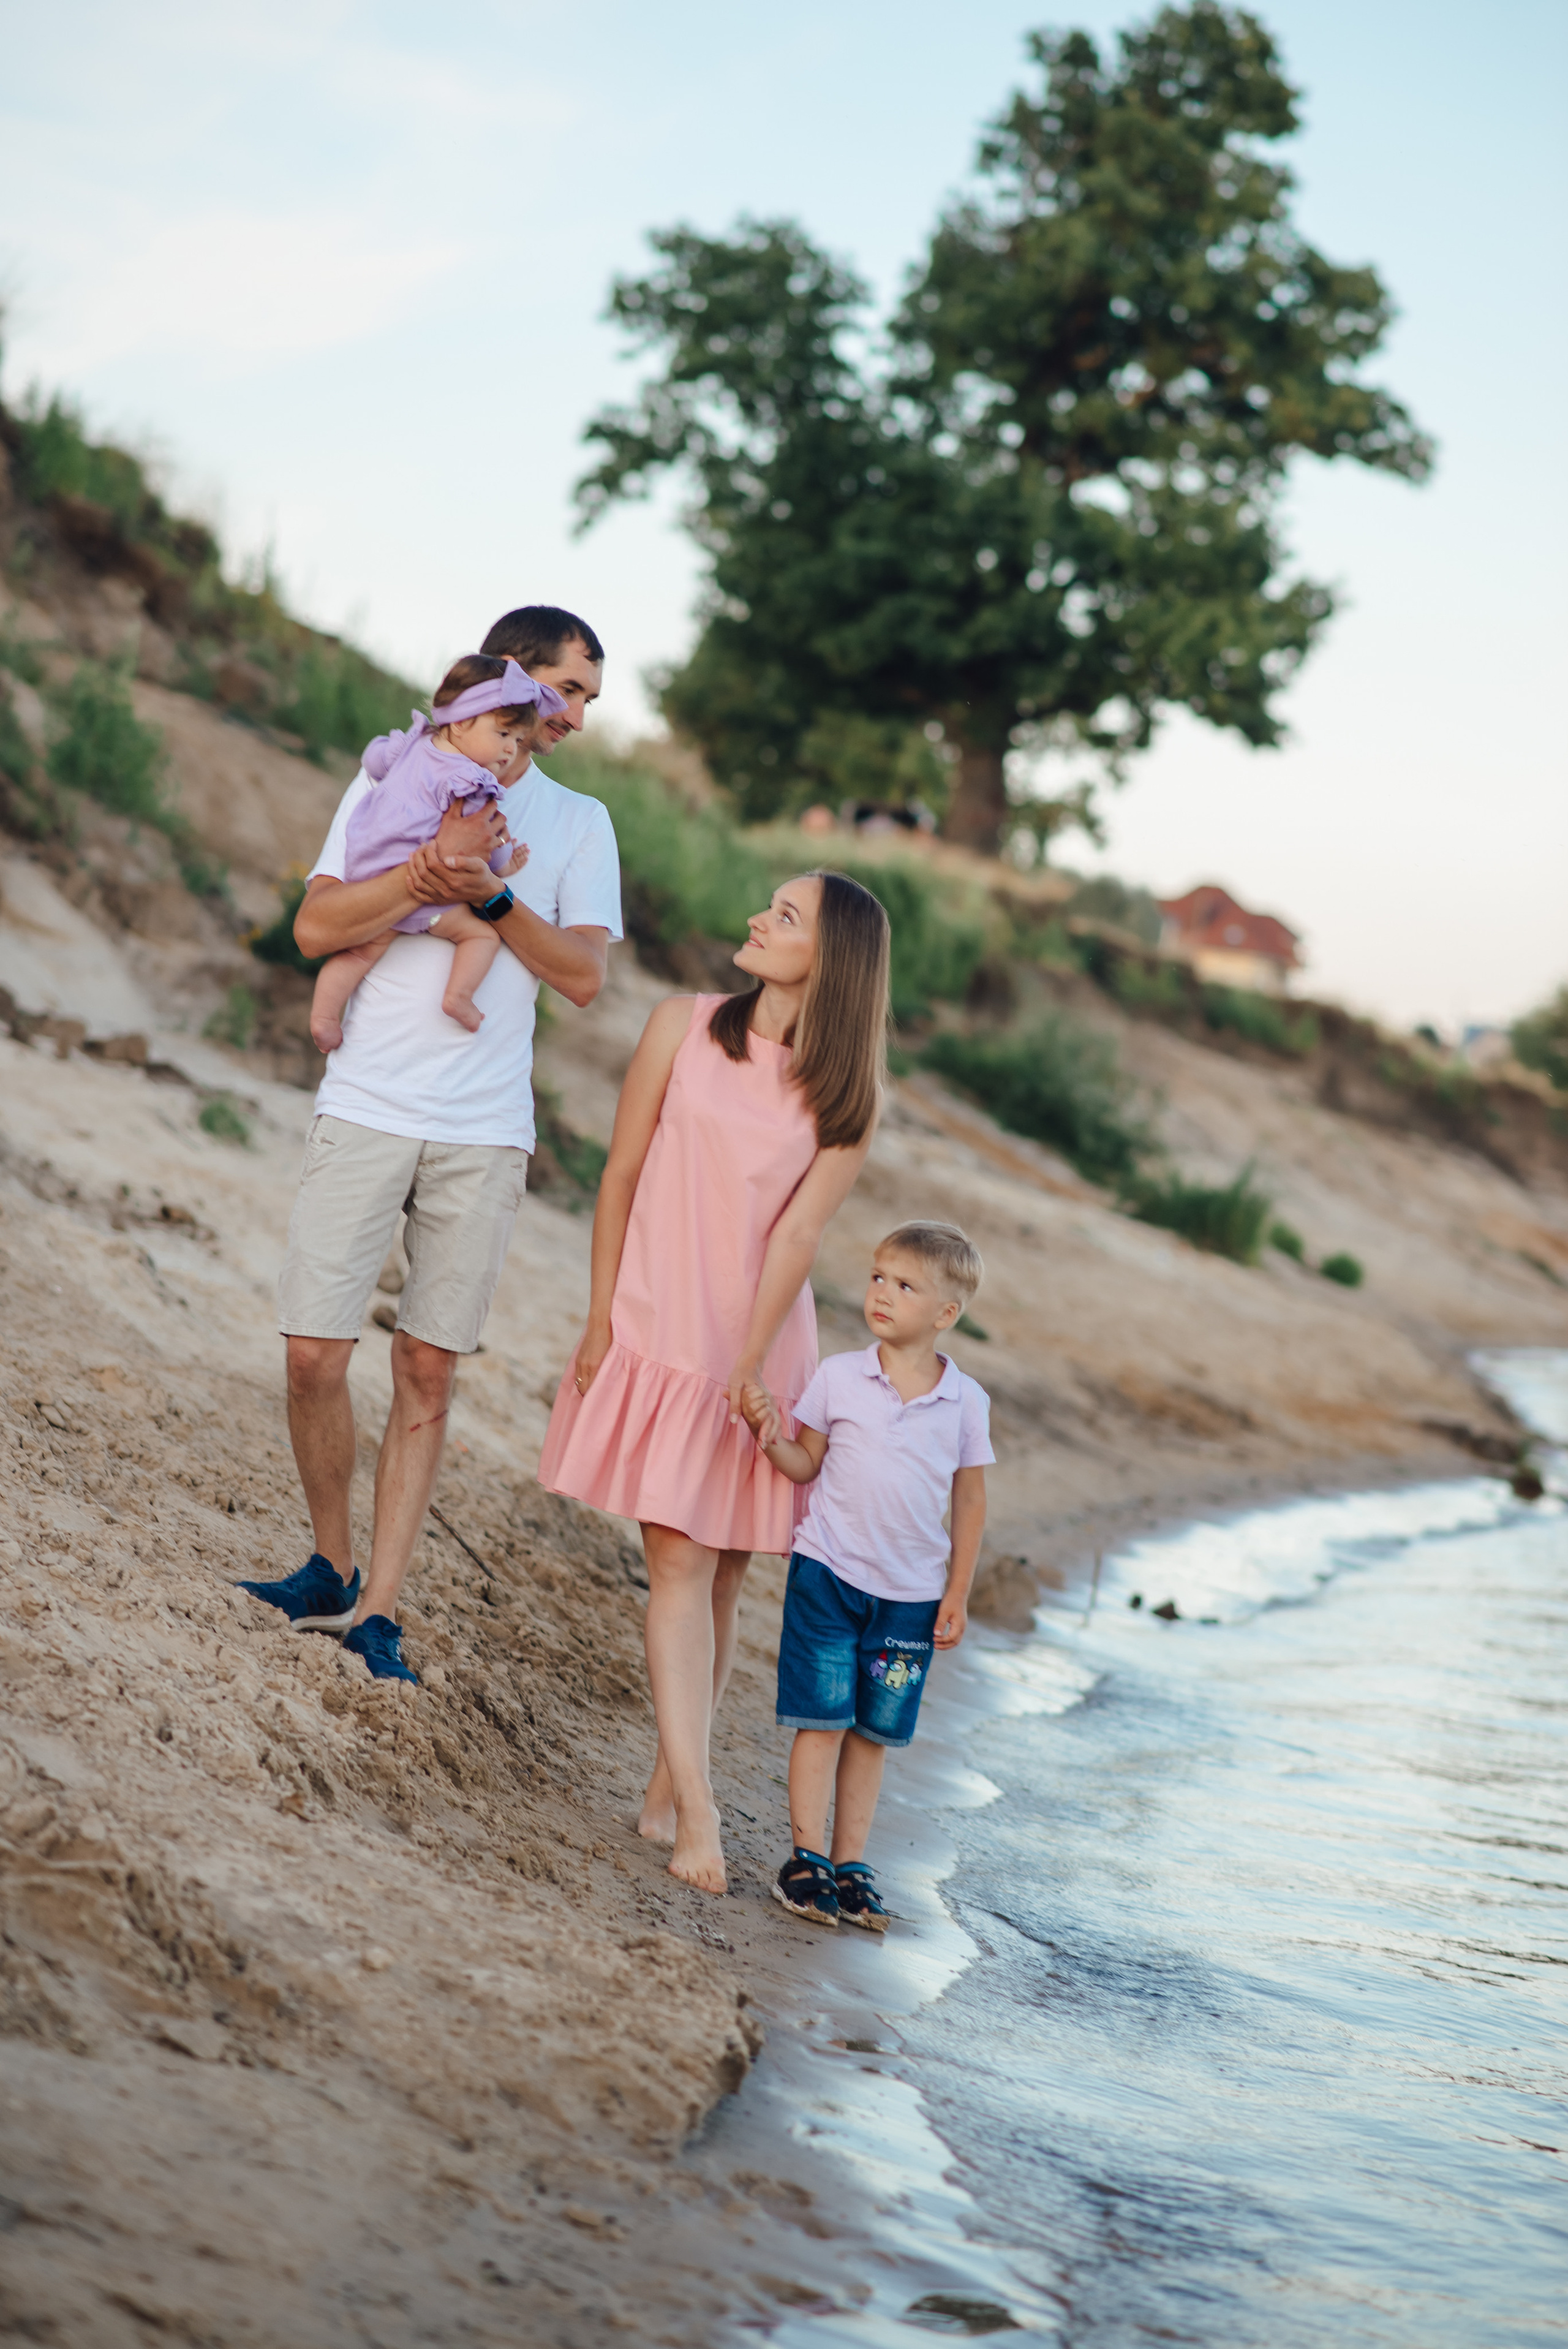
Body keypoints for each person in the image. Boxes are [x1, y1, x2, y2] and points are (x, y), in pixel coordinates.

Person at [238, 608, 620, 1684]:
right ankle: (328, 1558)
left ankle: (380, 1609)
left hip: (482, 1129)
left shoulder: (580, 823)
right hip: (365, 1100)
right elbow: (314, 931)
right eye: (568, 692)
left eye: (588, 698)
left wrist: (489, 891)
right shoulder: (395, 775)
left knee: (427, 1368)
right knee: (314, 1350)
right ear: (510, 681)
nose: (577, 719)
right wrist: (420, 881)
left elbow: (584, 978)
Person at [538, 872, 891, 1894]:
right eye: (767, 904)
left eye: (784, 916)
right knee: (681, 1564)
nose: (756, 918)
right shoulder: (681, 1026)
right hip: (660, 1321)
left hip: (760, 1340)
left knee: (729, 1569)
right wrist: (602, 1312)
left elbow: (799, 1232)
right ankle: (697, 1807)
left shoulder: (845, 1096)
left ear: (832, 959)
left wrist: (750, 1361)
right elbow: (620, 1173)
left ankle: (665, 1777)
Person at [740, 1221, 992, 1932]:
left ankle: (851, 1865)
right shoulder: (839, 1376)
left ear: (945, 1314)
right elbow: (805, 1464)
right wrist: (770, 1438)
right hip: (827, 1572)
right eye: (878, 1277)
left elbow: (970, 1500)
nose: (882, 1293)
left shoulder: (965, 1402)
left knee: (873, 1733)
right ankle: (806, 1858)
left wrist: (957, 1590)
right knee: (820, 1721)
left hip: (910, 1600)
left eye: (905, 1285)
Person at [309, 654, 560, 1051]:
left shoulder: (411, 744)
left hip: (367, 868)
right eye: (504, 734)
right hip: (422, 886)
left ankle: (324, 1019)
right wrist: (503, 865)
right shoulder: (470, 780)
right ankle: (458, 997)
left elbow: (374, 759)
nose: (510, 750)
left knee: (359, 955)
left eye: (516, 741)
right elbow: (478, 845)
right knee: (481, 936)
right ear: (461, 723)